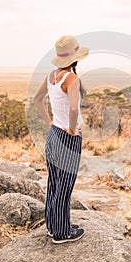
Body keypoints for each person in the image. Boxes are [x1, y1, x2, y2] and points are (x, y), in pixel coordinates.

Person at [34, 35, 89, 244]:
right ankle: (62, 233)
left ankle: (54, 225)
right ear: (75, 58)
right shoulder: (72, 79)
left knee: (55, 183)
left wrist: (49, 121)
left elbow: (37, 100)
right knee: (65, 186)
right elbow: (74, 108)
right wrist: (73, 130)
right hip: (67, 137)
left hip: (54, 134)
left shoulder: (51, 76)